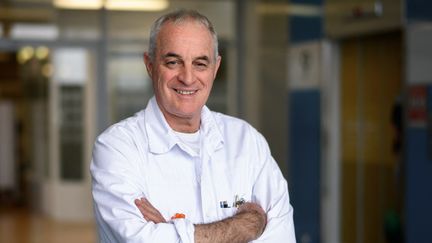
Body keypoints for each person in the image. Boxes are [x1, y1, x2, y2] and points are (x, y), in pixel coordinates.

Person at [90, 9, 296, 243]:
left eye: (200, 63)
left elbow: (282, 237)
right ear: (149, 65)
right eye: (173, 62)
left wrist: (171, 232)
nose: (188, 78)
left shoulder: (247, 141)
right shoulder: (117, 147)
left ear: (215, 68)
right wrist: (246, 225)